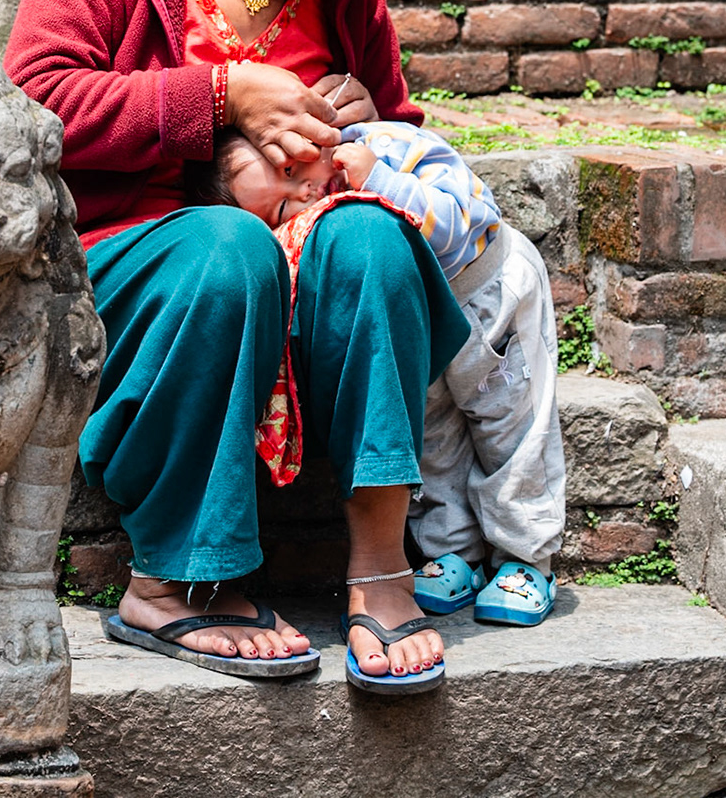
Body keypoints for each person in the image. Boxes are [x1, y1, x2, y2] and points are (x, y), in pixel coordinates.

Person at [4, 0, 470, 693]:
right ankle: (179, 580)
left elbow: (398, 128)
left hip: (303, 245)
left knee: (374, 240)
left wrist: (362, 120)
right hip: (140, 252)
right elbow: (39, 97)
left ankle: (380, 563)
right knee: (226, 246)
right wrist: (222, 97)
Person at [185, 118, 567, 627]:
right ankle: (454, 552)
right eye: (282, 207)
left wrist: (381, 184)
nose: (305, 190)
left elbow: (468, 218)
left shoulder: (390, 147)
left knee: (511, 428)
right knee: (431, 440)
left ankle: (526, 557)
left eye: (292, 167)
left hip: (490, 297)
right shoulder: (316, 224)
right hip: (419, 316)